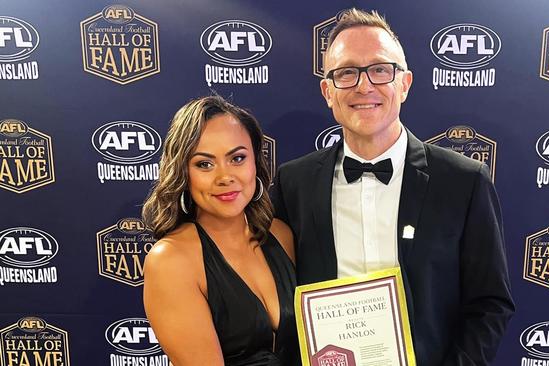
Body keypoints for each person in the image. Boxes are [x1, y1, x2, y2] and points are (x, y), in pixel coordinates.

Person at [271, 9, 515, 365]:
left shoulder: (464, 182)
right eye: (346, 72)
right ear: (327, 91)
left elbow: (490, 304)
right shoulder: (294, 183)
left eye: (380, 70)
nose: (364, 85)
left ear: (404, 84)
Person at [142, 95, 299, 366]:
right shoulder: (170, 261)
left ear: (255, 163)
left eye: (237, 158)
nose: (225, 177)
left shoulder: (280, 235)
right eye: (204, 164)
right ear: (183, 172)